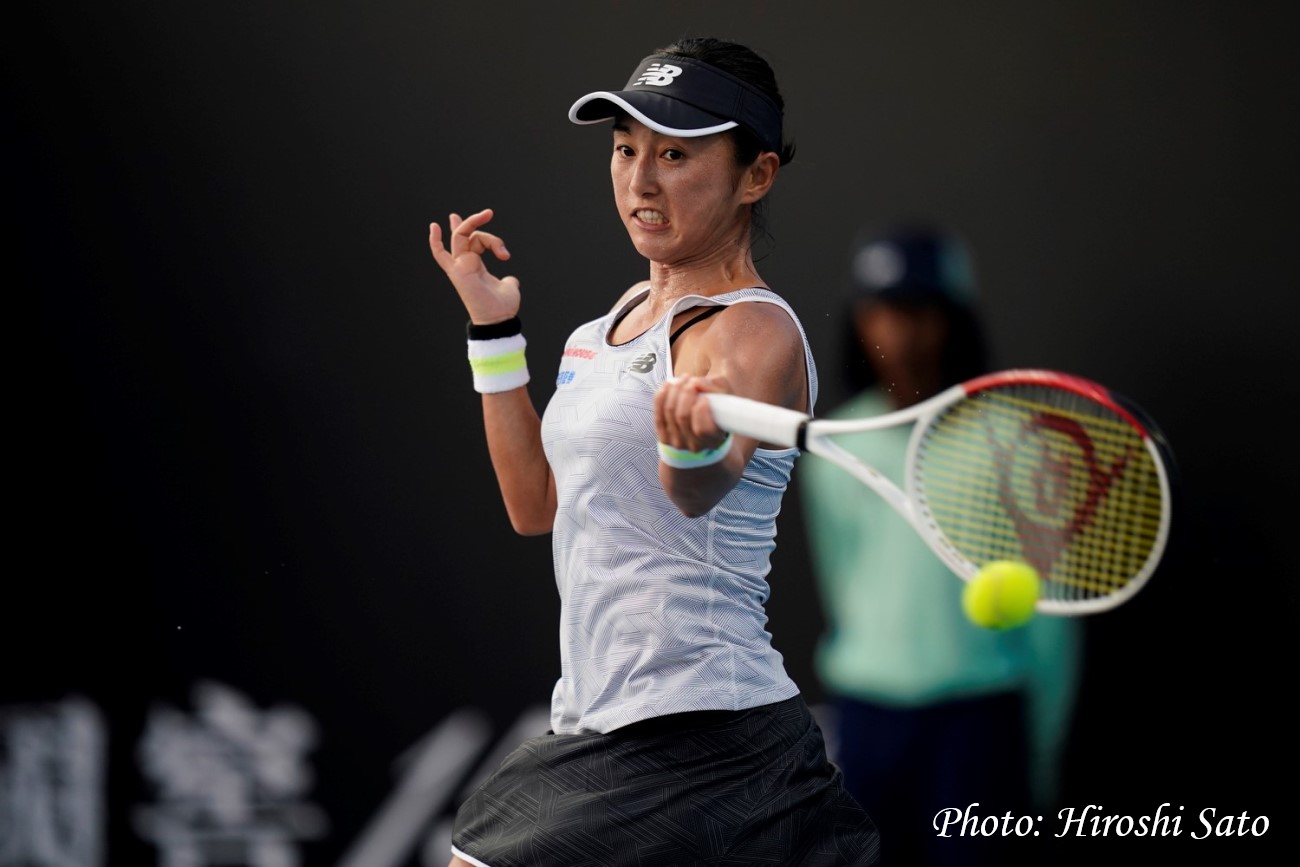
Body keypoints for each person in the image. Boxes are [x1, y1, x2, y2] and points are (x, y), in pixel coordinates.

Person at [428, 37, 880, 867]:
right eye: (626, 149)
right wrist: (493, 331)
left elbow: (700, 491)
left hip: (703, 731)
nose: (641, 179)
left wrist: (691, 446)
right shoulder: (603, 330)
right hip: (605, 723)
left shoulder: (755, 329)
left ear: (757, 176)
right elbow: (535, 506)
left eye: (676, 155)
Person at [799, 225, 1082, 866]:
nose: (900, 334)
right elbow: (843, 585)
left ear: (954, 321)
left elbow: (1054, 614)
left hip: (979, 727)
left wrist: (1040, 747)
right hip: (869, 722)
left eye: (920, 313)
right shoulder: (836, 447)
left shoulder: (1020, 441)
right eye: (883, 312)